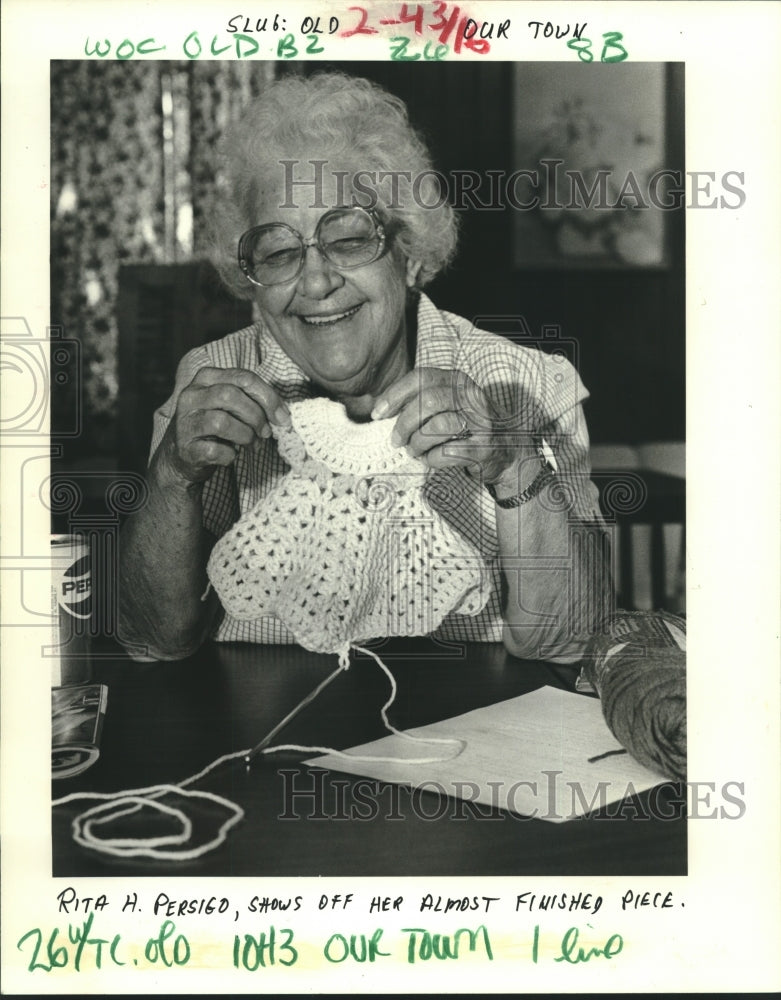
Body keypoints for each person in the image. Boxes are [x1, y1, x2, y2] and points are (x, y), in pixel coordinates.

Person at [119, 71, 612, 665]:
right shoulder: (213, 379)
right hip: (261, 731)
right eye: (278, 253)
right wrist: (172, 475)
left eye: (348, 240)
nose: (317, 281)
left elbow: (571, 640)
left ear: (408, 256)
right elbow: (153, 641)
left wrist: (513, 465)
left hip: (475, 732)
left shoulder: (526, 384)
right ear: (251, 282)